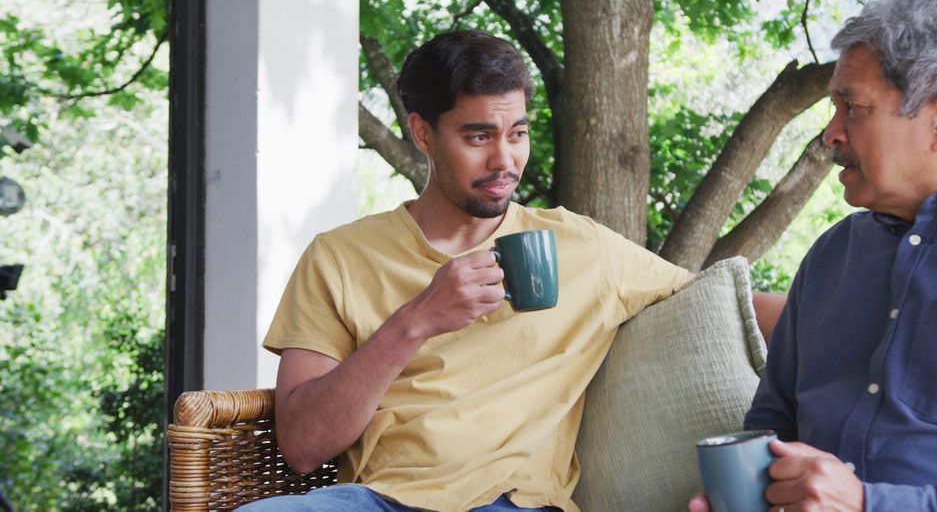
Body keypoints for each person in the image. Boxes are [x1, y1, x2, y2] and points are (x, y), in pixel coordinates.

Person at [241, 30, 780, 512]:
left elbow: (724, 307)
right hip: (374, 501)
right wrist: (418, 321)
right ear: (423, 134)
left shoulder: (580, 246)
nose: (505, 161)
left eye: (516, 133)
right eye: (479, 137)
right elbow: (303, 446)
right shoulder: (339, 257)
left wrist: (857, 315)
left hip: (515, 503)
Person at [689, 0, 937, 512]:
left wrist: (871, 503)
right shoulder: (833, 255)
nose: (831, 135)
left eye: (853, 108)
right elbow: (771, 430)